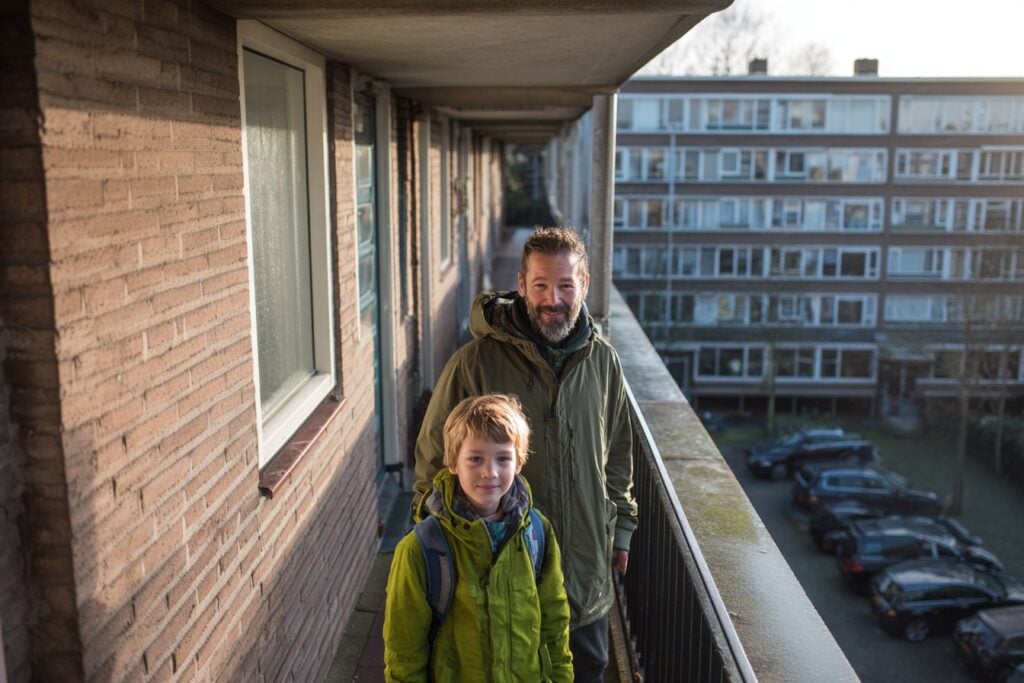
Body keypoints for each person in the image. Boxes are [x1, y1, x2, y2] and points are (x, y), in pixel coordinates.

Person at [413, 226, 637, 682]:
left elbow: (616, 454)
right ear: (520, 285)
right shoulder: (474, 363)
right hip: (503, 576)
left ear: (585, 287)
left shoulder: (604, 361)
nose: (553, 299)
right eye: (540, 285)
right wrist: (434, 541)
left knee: (585, 670)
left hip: (584, 568)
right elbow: (434, 460)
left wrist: (623, 529)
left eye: (565, 285)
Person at [384, 394, 572, 681]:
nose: (490, 472)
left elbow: (554, 622)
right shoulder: (421, 549)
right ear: (452, 461)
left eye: (503, 458)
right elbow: (404, 651)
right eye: (475, 458)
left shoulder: (537, 532)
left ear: (519, 462)